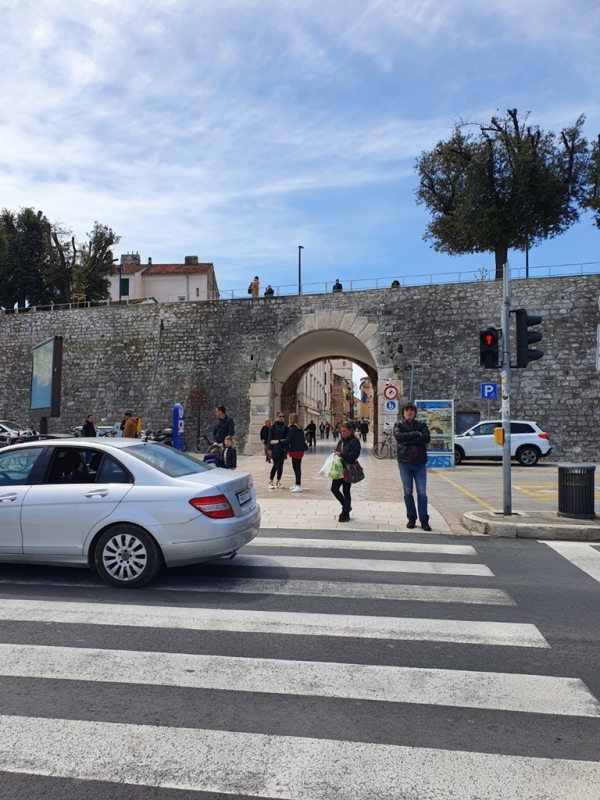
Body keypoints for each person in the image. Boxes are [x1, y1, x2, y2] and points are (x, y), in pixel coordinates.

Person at [394, 402, 432, 531]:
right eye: (406, 410)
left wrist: (407, 440)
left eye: (411, 410)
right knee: (408, 492)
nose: (409, 412)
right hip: (405, 462)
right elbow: (398, 437)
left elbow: (426, 438)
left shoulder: (422, 424)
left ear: (415, 412)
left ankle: (424, 519)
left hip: (420, 463)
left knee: (422, 492)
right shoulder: (398, 425)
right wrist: (416, 434)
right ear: (403, 413)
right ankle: (411, 518)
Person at [330, 421, 361, 522]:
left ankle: (346, 513)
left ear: (350, 431)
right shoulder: (341, 441)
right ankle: (346, 506)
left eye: (345, 431)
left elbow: (354, 455)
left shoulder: (354, 441)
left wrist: (342, 454)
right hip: (339, 469)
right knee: (334, 488)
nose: (342, 433)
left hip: (348, 469)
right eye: (341, 431)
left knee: (346, 490)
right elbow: (338, 450)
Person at [286, 413, 307, 492]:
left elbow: (289, 439)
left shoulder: (293, 429)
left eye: (289, 418)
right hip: (299, 449)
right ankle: (296, 484)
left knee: (296, 468)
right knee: (297, 467)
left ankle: (298, 485)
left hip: (295, 450)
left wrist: (279, 441)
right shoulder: (299, 428)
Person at [267, 411, 288, 489]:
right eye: (280, 416)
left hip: (282, 448)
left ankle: (278, 481)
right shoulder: (273, 426)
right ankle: (271, 481)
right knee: (275, 465)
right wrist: (269, 448)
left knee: (281, 466)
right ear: (276, 416)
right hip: (275, 448)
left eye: (283, 416)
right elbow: (270, 437)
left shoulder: (284, 426)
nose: (281, 418)